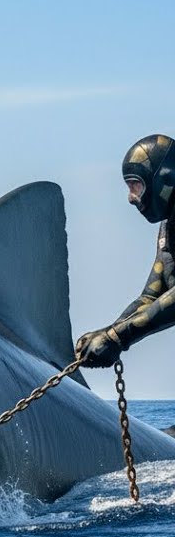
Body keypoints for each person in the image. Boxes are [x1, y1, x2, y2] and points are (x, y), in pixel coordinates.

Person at [76, 134, 175, 368]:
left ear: (164, 179)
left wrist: (117, 337)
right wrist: (108, 332)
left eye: (136, 186)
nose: (132, 198)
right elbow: (151, 296)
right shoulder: (168, 230)